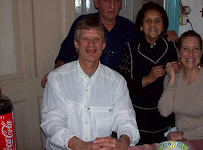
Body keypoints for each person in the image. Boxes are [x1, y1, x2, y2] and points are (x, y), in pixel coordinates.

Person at [41, 0, 178, 88]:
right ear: (96, 2)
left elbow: (147, 43)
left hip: (118, 89)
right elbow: (65, 54)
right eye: (107, 0)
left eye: (117, 0)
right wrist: (55, 75)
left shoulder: (128, 27)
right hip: (85, 85)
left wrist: (167, 36)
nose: (112, 5)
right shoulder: (83, 24)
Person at [40, 16, 140, 150]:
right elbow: (52, 122)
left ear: (104, 44)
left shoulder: (117, 82)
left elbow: (125, 119)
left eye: (96, 39)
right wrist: (82, 145)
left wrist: (124, 141)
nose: (91, 44)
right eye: (85, 39)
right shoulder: (57, 78)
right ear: (76, 43)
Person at [118, 2, 180, 145]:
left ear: (164, 26)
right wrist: (147, 79)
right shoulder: (131, 48)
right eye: (148, 20)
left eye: (157, 20)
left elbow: (194, 62)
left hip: (168, 118)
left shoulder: (172, 45)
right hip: (139, 119)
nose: (153, 24)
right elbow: (121, 85)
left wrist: (180, 68)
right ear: (141, 26)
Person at [158, 30, 203, 141]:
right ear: (178, 52)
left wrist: (184, 135)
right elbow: (164, 112)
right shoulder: (171, 77)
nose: (191, 54)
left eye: (196, 49)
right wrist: (172, 80)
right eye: (186, 49)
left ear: (201, 52)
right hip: (185, 140)